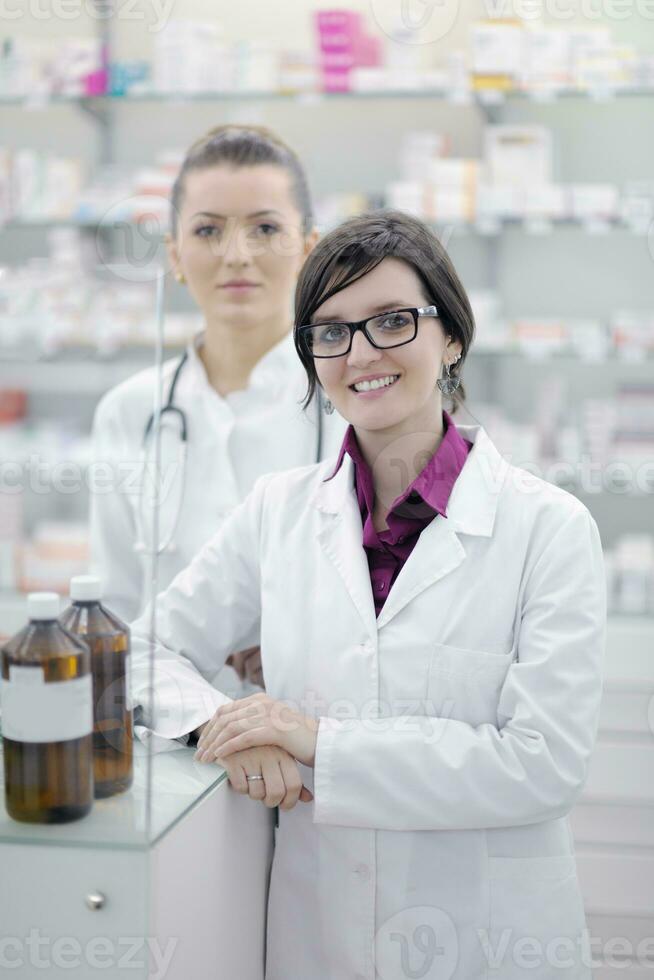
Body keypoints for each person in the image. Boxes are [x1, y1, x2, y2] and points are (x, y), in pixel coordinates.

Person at [130, 210, 606, 979]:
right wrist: (230, 722)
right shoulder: (277, 512)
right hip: (319, 938)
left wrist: (316, 740)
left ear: (450, 336)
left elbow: (542, 764)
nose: (361, 354)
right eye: (331, 331)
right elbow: (142, 651)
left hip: (488, 944)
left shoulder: (548, 529)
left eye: (392, 322)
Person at [90, 124, 343, 698]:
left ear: (308, 248)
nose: (236, 254)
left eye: (265, 228)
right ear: (175, 254)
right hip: (171, 750)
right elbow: (115, 611)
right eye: (208, 230)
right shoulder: (129, 413)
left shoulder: (352, 404)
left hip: (317, 743)